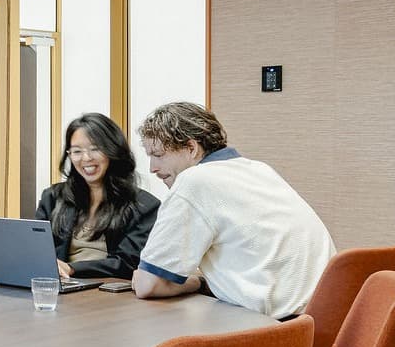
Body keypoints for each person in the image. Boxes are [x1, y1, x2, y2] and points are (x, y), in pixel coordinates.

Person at [132, 101, 335, 319]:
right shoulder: (258, 169)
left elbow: (147, 285)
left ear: (191, 148)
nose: (152, 167)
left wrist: (195, 283)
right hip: (322, 322)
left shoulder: (194, 180)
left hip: (275, 331)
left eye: (158, 154)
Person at [35, 112, 159, 280]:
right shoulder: (53, 197)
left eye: (95, 149)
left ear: (113, 150)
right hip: (61, 287)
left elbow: (128, 262)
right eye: (77, 151)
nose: (86, 158)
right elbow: (36, 250)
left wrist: (72, 268)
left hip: (111, 294)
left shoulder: (144, 205)